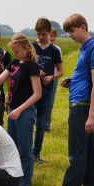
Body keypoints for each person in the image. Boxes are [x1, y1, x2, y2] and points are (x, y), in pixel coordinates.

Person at [54, 13, 94, 186]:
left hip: (82, 109)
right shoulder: (86, 48)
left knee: (77, 153)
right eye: (67, 32)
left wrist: (91, 116)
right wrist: (73, 82)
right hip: (82, 106)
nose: (70, 35)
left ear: (83, 27)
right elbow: (88, 78)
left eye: (72, 31)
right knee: (92, 152)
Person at [0, 34, 42, 186]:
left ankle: (25, 183)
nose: (15, 54)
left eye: (17, 51)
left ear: (26, 48)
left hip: (24, 112)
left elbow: (37, 94)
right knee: (12, 147)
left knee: (25, 149)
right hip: (13, 110)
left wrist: (19, 109)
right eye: (13, 51)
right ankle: (14, 179)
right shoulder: (13, 63)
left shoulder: (31, 65)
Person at [32, 18, 63, 163]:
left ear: (49, 32)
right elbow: (24, 66)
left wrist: (51, 77)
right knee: (28, 121)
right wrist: (36, 72)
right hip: (31, 91)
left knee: (41, 124)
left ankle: (36, 154)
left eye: (43, 34)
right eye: (38, 34)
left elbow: (60, 71)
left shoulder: (55, 50)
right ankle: (25, 153)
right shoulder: (31, 47)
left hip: (47, 90)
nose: (40, 37)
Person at [45, 28, 63, 132]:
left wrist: (53, 77)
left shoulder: (57, 49)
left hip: (53, 78)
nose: (51, 38)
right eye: (50, 35)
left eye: (53, 36)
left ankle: (46, 125)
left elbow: (59, 67)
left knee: (50, 102)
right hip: (41, 78)